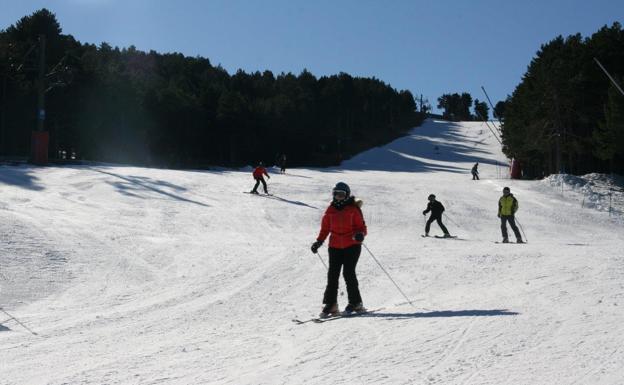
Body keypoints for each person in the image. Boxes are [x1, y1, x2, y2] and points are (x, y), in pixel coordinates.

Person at [311, 182, 367, 318]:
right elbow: (325, 229)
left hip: (352, 245)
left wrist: (360, 234)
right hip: (335, 246)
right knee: (332, 275)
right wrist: (319, 242)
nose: (338, 197)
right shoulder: (330, 210)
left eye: (341, 195)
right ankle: (331, 304)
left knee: (348, 273)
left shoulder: (353, 209)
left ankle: (356, 303)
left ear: (346, 195)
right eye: (336, 194)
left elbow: (362, 227)